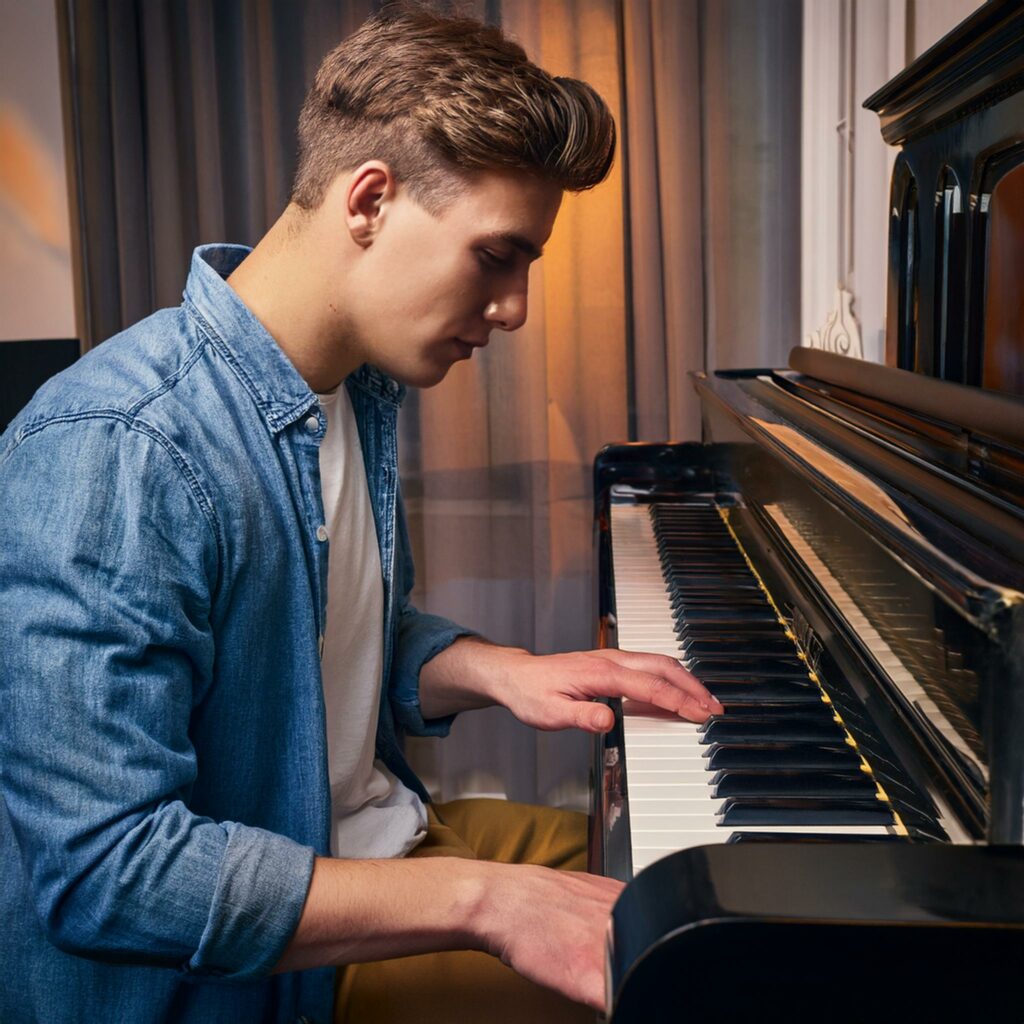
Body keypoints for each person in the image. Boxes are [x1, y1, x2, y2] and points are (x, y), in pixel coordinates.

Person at [0, 7, 722, 1023]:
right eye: (497, 255)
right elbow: (108, 871)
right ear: (370, 200)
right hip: (262, 977)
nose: (514, 307)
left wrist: (500, 669)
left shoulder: (353, 392)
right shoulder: (118, 446)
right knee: (685, 986)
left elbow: (318, 647)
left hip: (374, 841)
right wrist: (481, 898)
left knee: (703, 887)